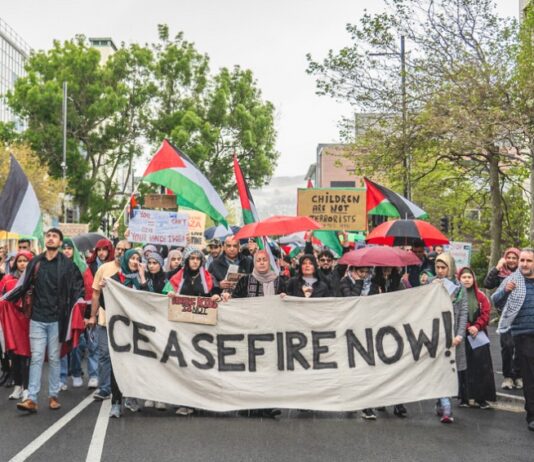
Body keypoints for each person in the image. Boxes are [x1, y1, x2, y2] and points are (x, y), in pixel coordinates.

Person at [4, 228, 84, 413]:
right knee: (37, 358)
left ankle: (53, 395)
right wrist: (5, 299)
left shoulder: (67, 265)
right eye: (48, 235)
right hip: (37, 319)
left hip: (58, 320)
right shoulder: (35, 262)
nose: (50, 238)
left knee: (55, 358)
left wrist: (82, 310)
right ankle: (31, 398)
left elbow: (77, 289)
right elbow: (22, 286)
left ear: (60, 242)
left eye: (54, 236)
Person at [164, 247, 220, 416]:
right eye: (192, 258)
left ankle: (198, 400)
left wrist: (217, 296)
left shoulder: (208, 277)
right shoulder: (177, 277)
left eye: (198, 258)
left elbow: (216, 293)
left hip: (202, 330)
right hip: (181, 329)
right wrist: (170, 294)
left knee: (199, 364)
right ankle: (183, 401)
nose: (195, 261)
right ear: (187, 261)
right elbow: (164, 293)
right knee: (183, 364)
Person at [230, 249, 284, 418]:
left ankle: (268, 405)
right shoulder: (245, 280)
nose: (261, 262)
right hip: (249, 331)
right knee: (250, 368)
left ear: (269, 263)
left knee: (268, 368)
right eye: (258, 260)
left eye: (264, 260)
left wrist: (285, 297)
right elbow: (235, 300)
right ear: (254, 262)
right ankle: (248, 404)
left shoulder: (280, 282)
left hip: (271, 332)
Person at [492, 248, 534, 432]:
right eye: (522, 260)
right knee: (530, 377)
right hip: (523, 334)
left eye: (528, 261)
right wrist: (505, 292)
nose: (524, 264)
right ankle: (532, 415)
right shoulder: (512, 280)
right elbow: (496, 301)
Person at [86, 240, 131, 407]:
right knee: (104, 354)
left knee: (125, 356)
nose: (120, 252)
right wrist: (92, 316)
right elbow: (96, 294)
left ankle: (126, 389)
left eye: (124, 249)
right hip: (105, 320)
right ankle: (105, 388)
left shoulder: (134, 268)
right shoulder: (104, 269)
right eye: (118, 249)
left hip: (127, 323)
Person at [108, 248, 143, 418]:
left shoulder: (142, 279)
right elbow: (104, 303)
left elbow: (148, 297)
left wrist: (143, 277)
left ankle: (132, 396)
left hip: (138, 328)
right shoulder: (115, 280)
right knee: (117, 364)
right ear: (126, 260)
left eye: (138, 258)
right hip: (120, 328)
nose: (135, 261)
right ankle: (115, 401)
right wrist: (103, 290)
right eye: (132, 258)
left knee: (135, 363)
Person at [433, 252, 468, 423]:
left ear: (450, 268)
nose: (440, 271)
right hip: (435, 335)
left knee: (449, 370)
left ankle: (443, 403)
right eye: (438, 267)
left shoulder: (460, 288)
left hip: (453, 335)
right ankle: (445, 405)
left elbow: (463, 313)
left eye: (443, 267)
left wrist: (460, 335)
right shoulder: (432, 285)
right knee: (439, 370)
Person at [457, 267, 496, 409]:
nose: (466, 280)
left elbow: (486, 313)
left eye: (469, 277)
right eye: (463, 277)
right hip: (462, 335)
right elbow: (457, 314)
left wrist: (477, 326)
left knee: (482, 367)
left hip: (479, 335)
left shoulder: (481, 296)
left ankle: (482, 398)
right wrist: (467, 326)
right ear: (459, 279)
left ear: (473, 279)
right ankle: (464, 398)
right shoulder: (457, 296)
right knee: (464, 367)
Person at [79, 239, 115, 391]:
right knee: (98, 349)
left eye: (104, 249)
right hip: (95, 312)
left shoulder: (116, 266)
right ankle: (97, 378)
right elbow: (90, 292)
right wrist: (90, 314)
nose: (101, 253)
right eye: (99, 250)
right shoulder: (90, 267)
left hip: (112, 312)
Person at [484, 247, 522, 390]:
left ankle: (518, 375)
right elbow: (487, 284)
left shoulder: (523, 274)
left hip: (520, 316)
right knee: (507, 346)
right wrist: (497, 268)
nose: (511, 260)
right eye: (509, 257)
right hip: (505, 316)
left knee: (520, 347)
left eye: (514, 258)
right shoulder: (501, 274)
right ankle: (507, 376)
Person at [0, 251, 33, 401]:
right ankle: (17, 386)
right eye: (19, 260)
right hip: (11, 323)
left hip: (28, 322)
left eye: (25, 260)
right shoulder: (7, 279)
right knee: (14, 355)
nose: (22, 263)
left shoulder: (34, 279)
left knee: (26, 356)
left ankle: (27, 388)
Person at [59, 238, 88, 390]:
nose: (67, 251)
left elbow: (80, 288)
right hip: (59, 312)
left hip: (75, 311)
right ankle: (62, 377)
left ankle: (76, 373)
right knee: (61, 345)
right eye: (64, 248)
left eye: (70, 248)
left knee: (77, 344)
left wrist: (78, 301)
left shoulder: (79, 267)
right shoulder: (55, 267)